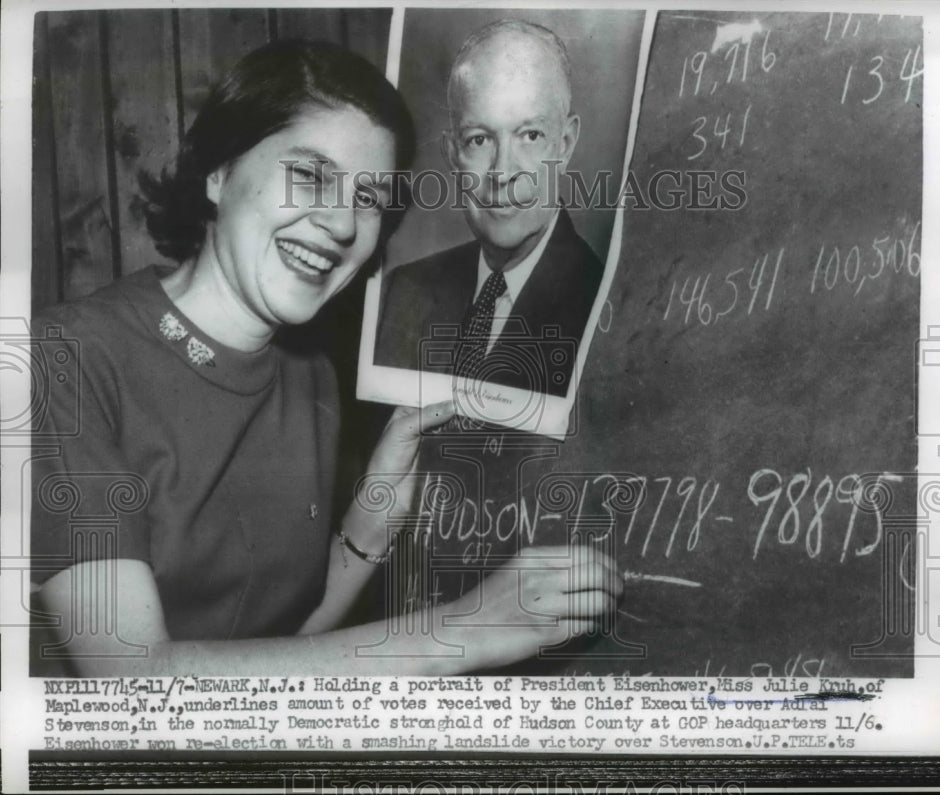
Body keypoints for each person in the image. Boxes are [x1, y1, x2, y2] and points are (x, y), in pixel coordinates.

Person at [30, 40, 621, 676]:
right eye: (310, 175)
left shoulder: (309, 374)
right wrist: (467, 628)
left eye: (369, 198)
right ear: (219, 172)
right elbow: (131, 685)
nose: (342, 224)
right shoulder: (64, 360)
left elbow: (293, 648)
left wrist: (370, 520)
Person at [374, 19, 604, 397]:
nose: (501, 172)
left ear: (564, 144)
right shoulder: (405, 292)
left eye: (530, 136)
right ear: (452, 154)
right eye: (479, 140)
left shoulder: (601, 303)